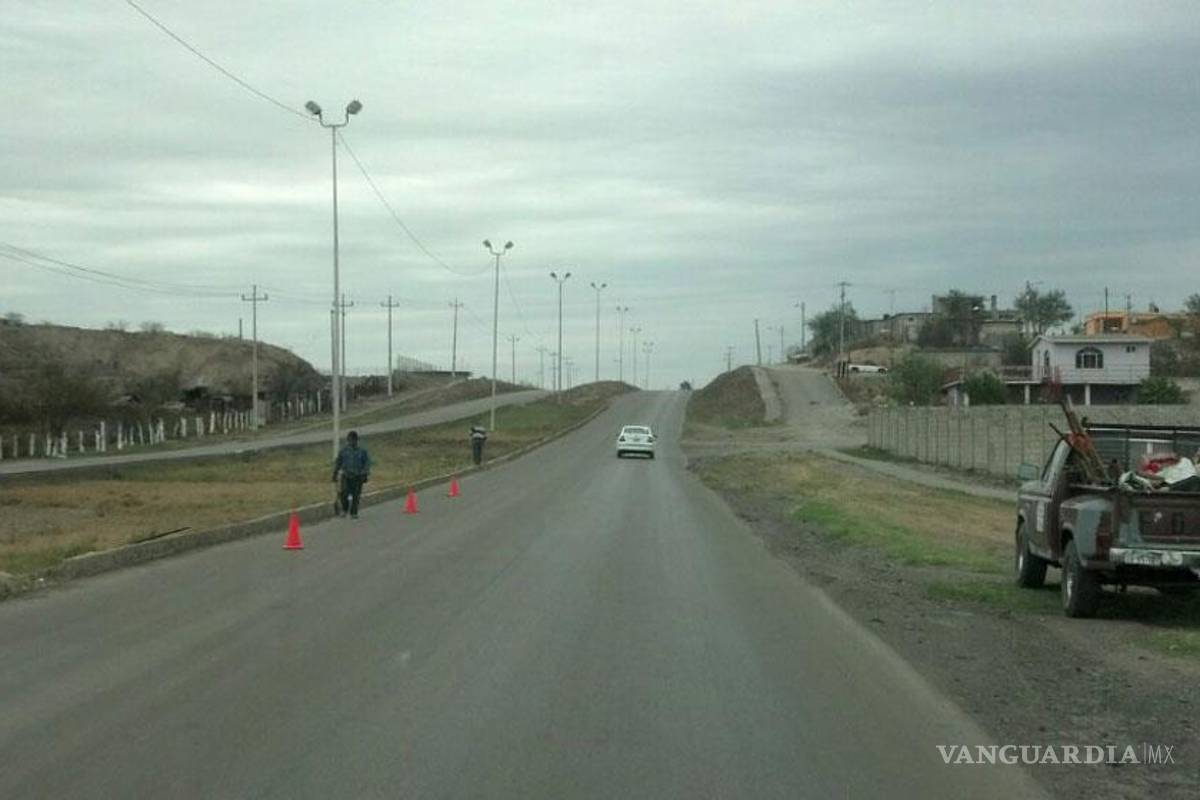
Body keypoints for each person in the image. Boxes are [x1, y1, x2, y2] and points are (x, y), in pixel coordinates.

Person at [332, 430, 371, 519]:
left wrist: (365, 473)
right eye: (349, 440)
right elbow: (338, 463)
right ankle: (345, 509)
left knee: (356, 495)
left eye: (353, 440)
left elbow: (367, 463)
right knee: (344, 493)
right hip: (346, 475)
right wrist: (335, 474)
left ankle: (354, 512)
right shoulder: (344, 451)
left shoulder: (362, 451)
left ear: (356, 440)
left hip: (358, 476)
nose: (351, 442)